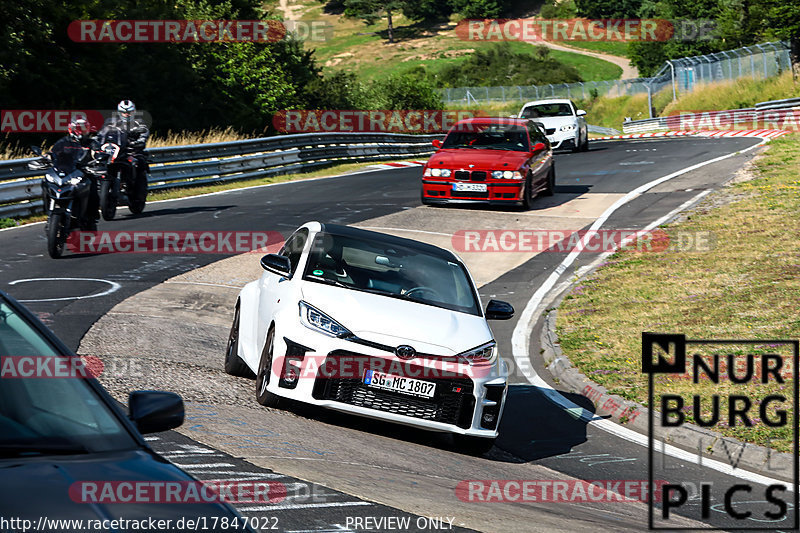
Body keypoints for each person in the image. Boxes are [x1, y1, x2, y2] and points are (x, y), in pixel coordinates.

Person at [50, 118, 98, 230]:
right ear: (72, 129)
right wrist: (47, 158)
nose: (81, 132)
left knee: (93, 191)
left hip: (85, 173)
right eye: (79, 129)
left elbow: (98, 152)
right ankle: (49, 211)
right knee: (46, 183)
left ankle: (91, 219)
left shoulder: (91, 143)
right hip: (67, 172)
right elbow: (53, 153)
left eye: (84, 129)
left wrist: (99, 158)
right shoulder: (63, 142)